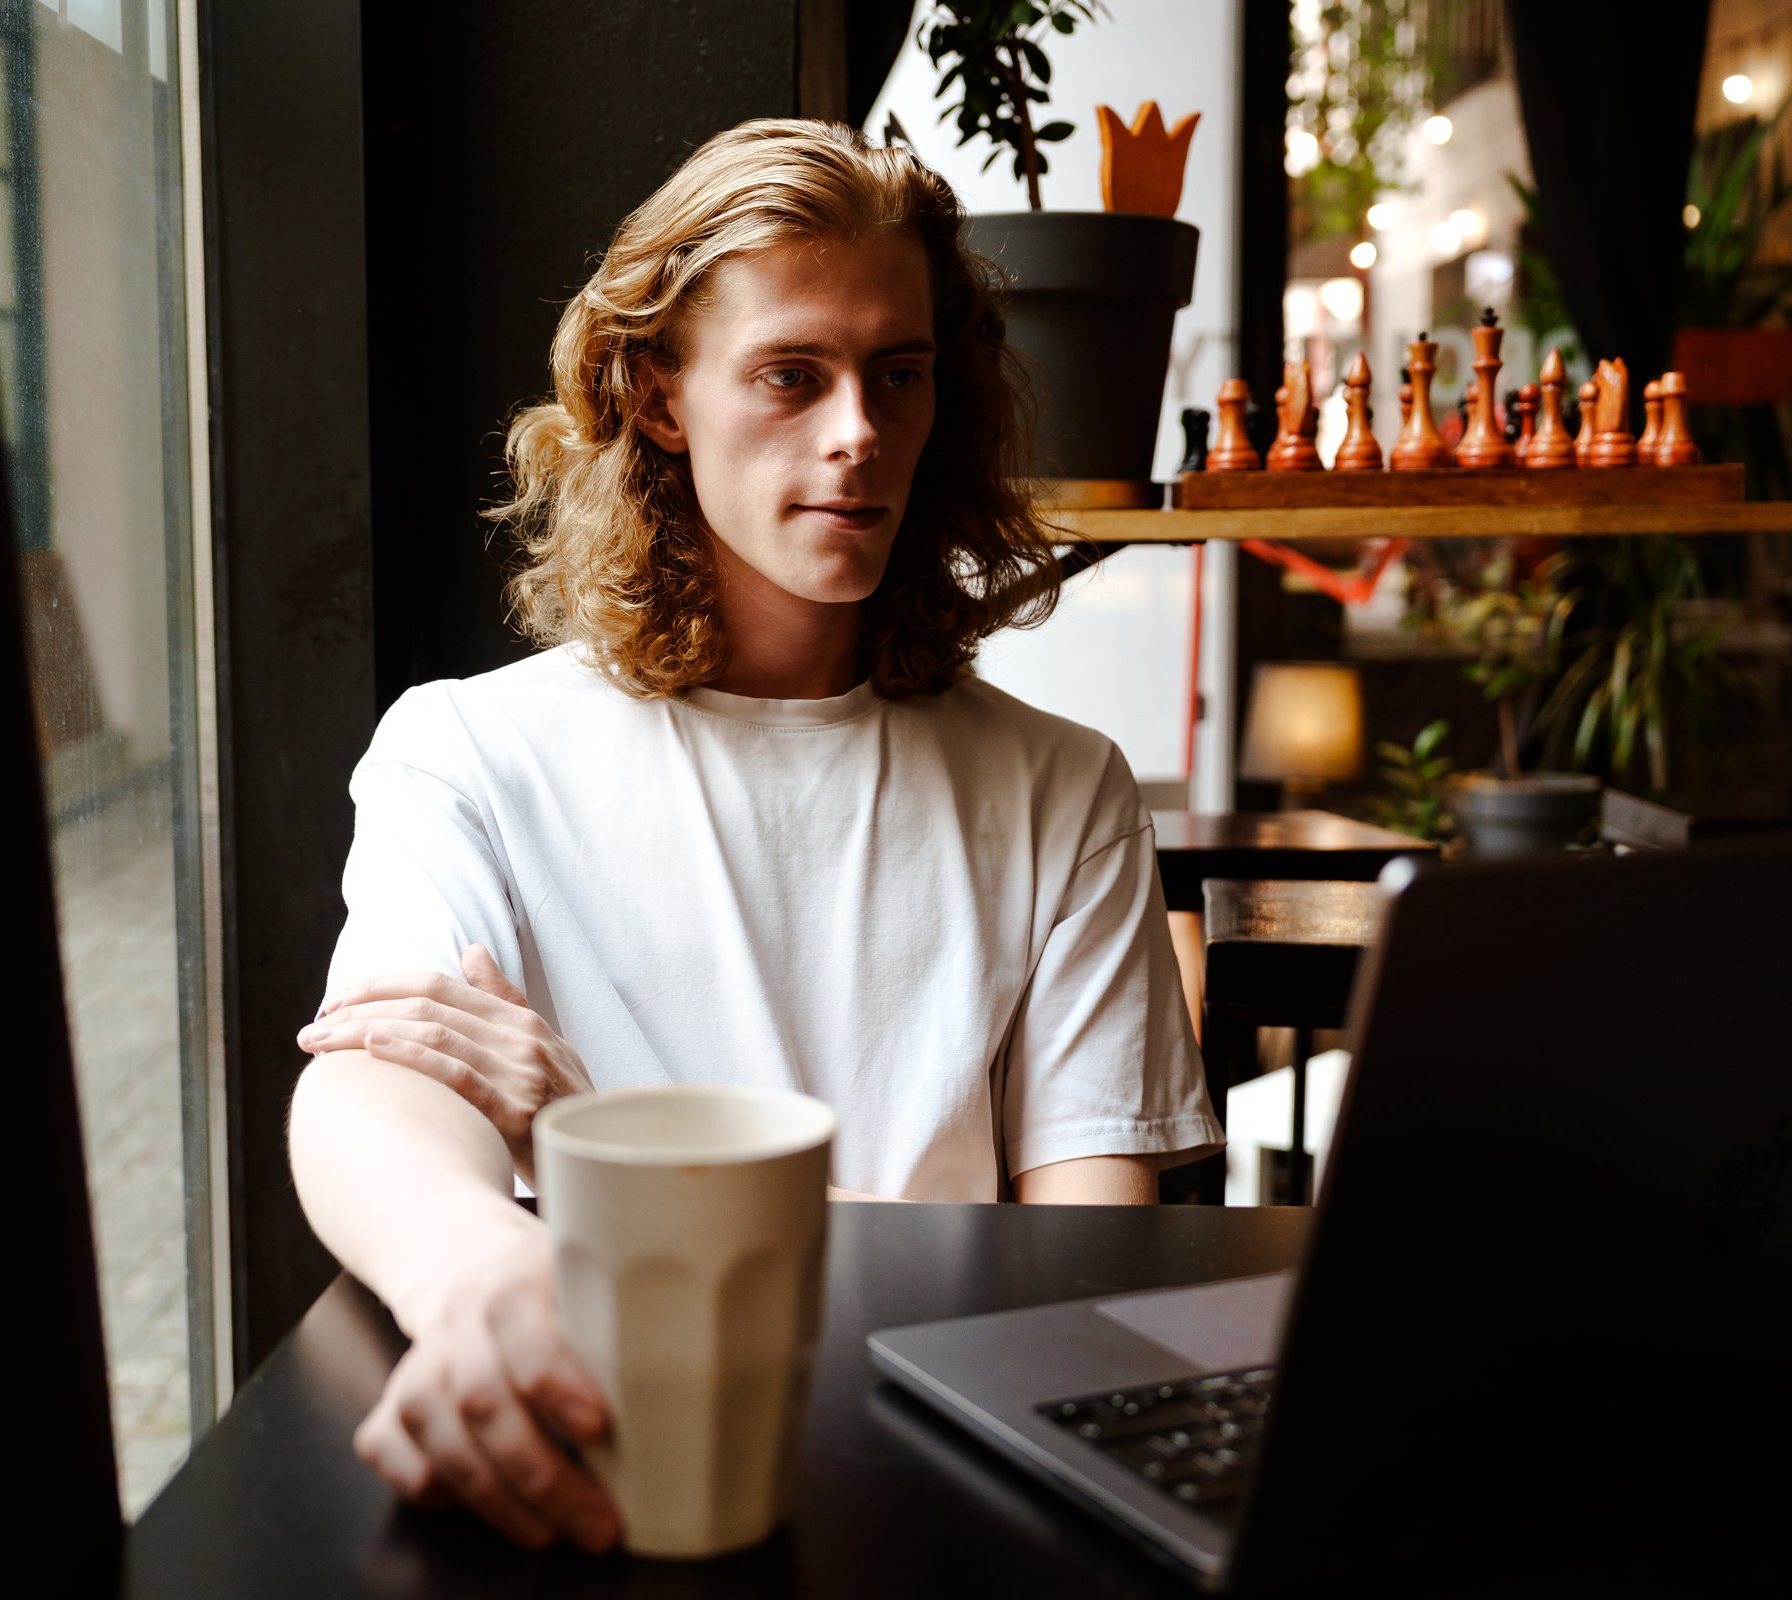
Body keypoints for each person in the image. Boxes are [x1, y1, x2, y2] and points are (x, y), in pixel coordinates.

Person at [287, 118, 1220, 1556]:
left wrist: (600, 1154)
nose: (858, 434)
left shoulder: (1063, 787)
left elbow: (1078, 1271)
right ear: (659, 396)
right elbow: (369, 1087)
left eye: (898, 374)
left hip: (947, 1502)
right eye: (792, 374)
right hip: (616, 1468)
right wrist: (476, 1270)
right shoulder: (469, 751)